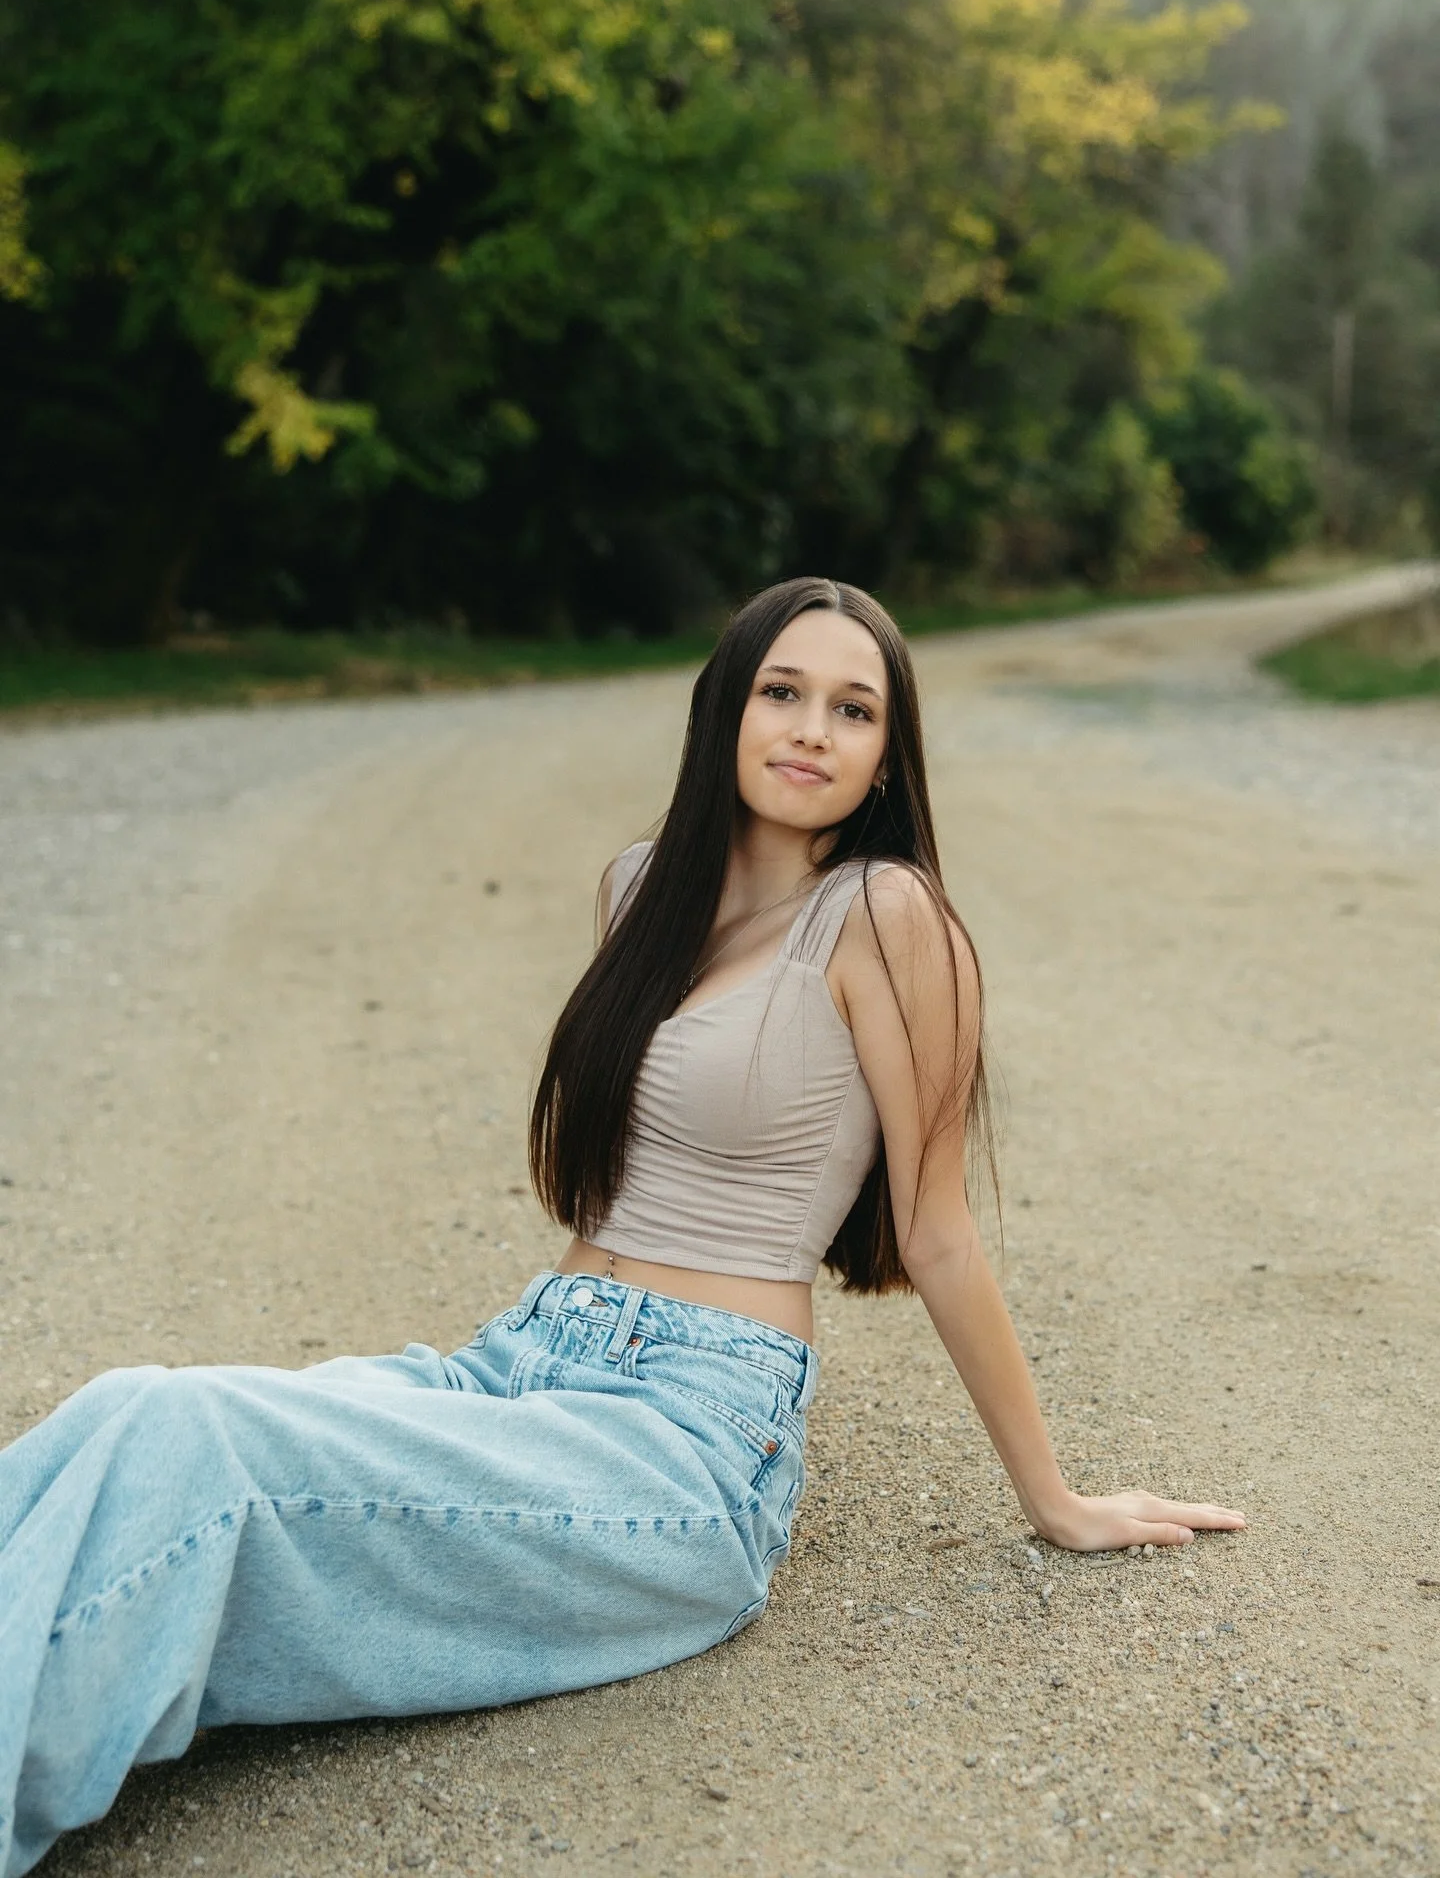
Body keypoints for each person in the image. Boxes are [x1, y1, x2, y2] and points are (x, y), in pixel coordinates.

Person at [0, 576, 1244, 1874]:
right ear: (726, 709)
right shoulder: (638, 888)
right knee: (127, 1412)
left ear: (887, 756)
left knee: (200, 1445)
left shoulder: (885, 918)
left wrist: (1055, 1498)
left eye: (854, 709)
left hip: (685, 1440)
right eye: (783, 691)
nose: (813, 728)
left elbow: (936, 1233)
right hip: (521, 1362)